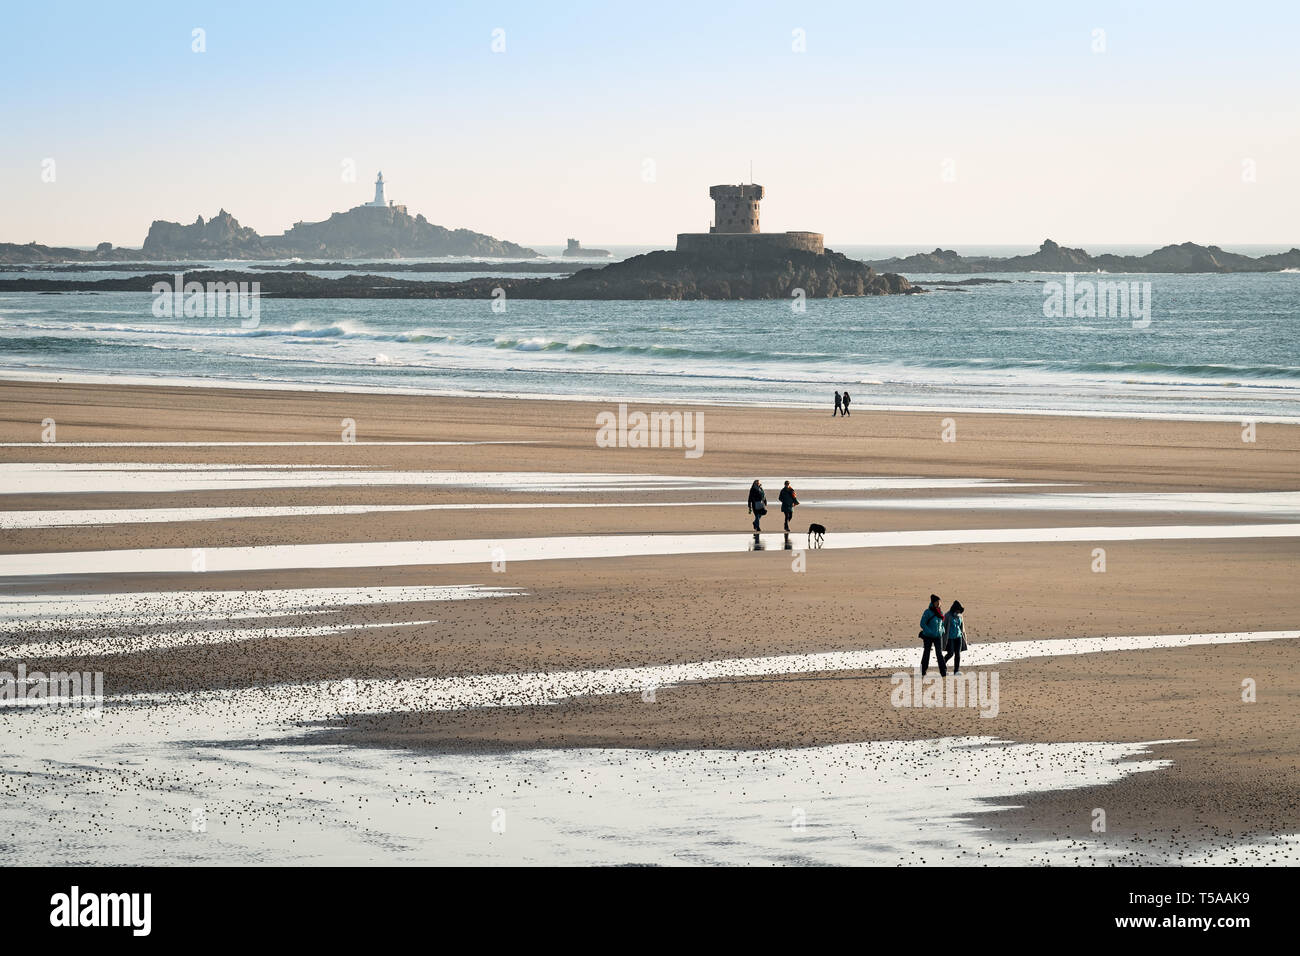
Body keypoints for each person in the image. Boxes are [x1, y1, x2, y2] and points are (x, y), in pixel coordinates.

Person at [919, 594, 946, 677]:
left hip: (938, 636)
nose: (938, 604)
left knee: (939, 654)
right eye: (937, 602)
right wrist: (929, 632)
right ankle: (923, 670)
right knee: (926, 653)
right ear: (933, 603)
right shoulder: (927, 612)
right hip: (928, 636)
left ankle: (943, 671)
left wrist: (942, 630)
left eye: (939, 602)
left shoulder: (940, 612)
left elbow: (942, 623)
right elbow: (922, 623)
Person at [942, 600, 966, 675]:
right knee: (950, 653)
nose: (959, 612)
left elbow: (962, 627)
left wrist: (964, 636)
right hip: (950, 638)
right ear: (954, 608)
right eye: (958, 610)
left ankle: (956, 671)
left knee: (958, 654)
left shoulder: (960, 616)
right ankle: (942, 666)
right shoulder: (947, 615)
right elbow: (943, 626)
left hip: (958, 637)